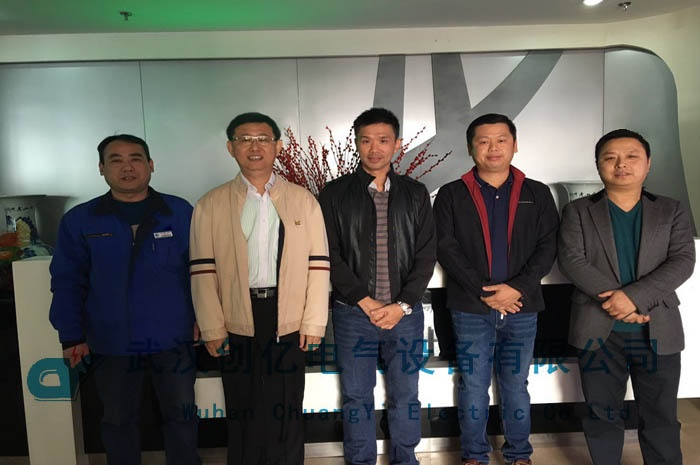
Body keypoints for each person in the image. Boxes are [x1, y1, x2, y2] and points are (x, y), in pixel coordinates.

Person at [49, 134, 201, 465]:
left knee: (181, 417)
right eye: (116, 160)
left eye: (135, 158)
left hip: (172, 337)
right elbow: (67, 281)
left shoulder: (179, 212)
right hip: (110, 339)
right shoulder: (81, 219)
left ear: (151, 165)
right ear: (101, 168)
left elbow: (200, 272)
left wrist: (202, 319)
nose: (127, 167)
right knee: (118, 420)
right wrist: (71, 335)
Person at [189, 112, 330, 465]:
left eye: (263, 139)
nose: (255, 147)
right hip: (235, 313)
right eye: (245, 139)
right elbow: (202, 272)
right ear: (230, 147)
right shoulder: (211, 204)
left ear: (277, 146)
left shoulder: (303, 200)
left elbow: (318, 266)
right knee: (242, 405)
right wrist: (212, 326)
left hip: (288, 315)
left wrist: (314, 322)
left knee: (288, 404)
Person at [558, 129, 695, 465]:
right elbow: (572, 261)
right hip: (598, 330)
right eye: (610, 158)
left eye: (631, 156)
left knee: (661, 415)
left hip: (657, 327)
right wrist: (618, 303)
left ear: (648, 164)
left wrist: (632, 299)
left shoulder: (671, 210)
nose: (621, 164)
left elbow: (682, 260)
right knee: (602, 414)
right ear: (598, 165)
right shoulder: (577, 211)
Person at [433, 113, 559, 465]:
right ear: (470, 148)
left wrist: (517, 288)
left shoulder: (537, 192)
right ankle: (474, 455)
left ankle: (519, 455)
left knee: (516, 384)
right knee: (473, 384)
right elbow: (445, 247)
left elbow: (548, 246)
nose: (493, 148)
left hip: (523, 306)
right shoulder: (451, 194)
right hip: (471, 307)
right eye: (484, 141)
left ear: (514, 145)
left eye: (501, 140)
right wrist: (486, 290)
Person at [319, 107, 436, 465]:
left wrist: (402, 305)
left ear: (397, 144)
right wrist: (365, 302)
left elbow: (426, 254)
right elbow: (328, 253)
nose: (375, 148)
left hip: (405, 316)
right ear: (356, 143)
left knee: (406, 395)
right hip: (354, 315)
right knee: (357, 397)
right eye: (366, 140)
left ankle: (405, 459)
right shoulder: (334, 193)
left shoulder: (415, 193)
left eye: (383, 140)